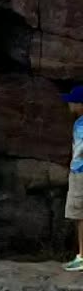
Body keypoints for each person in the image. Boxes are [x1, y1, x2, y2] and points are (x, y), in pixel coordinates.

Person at [63, 87, 83, 272]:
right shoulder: (78, 122)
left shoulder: (82, 124)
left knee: (80, 215)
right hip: (78, 171)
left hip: (81, 173)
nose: (69, 104)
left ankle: (82, 257)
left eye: (72, 101)